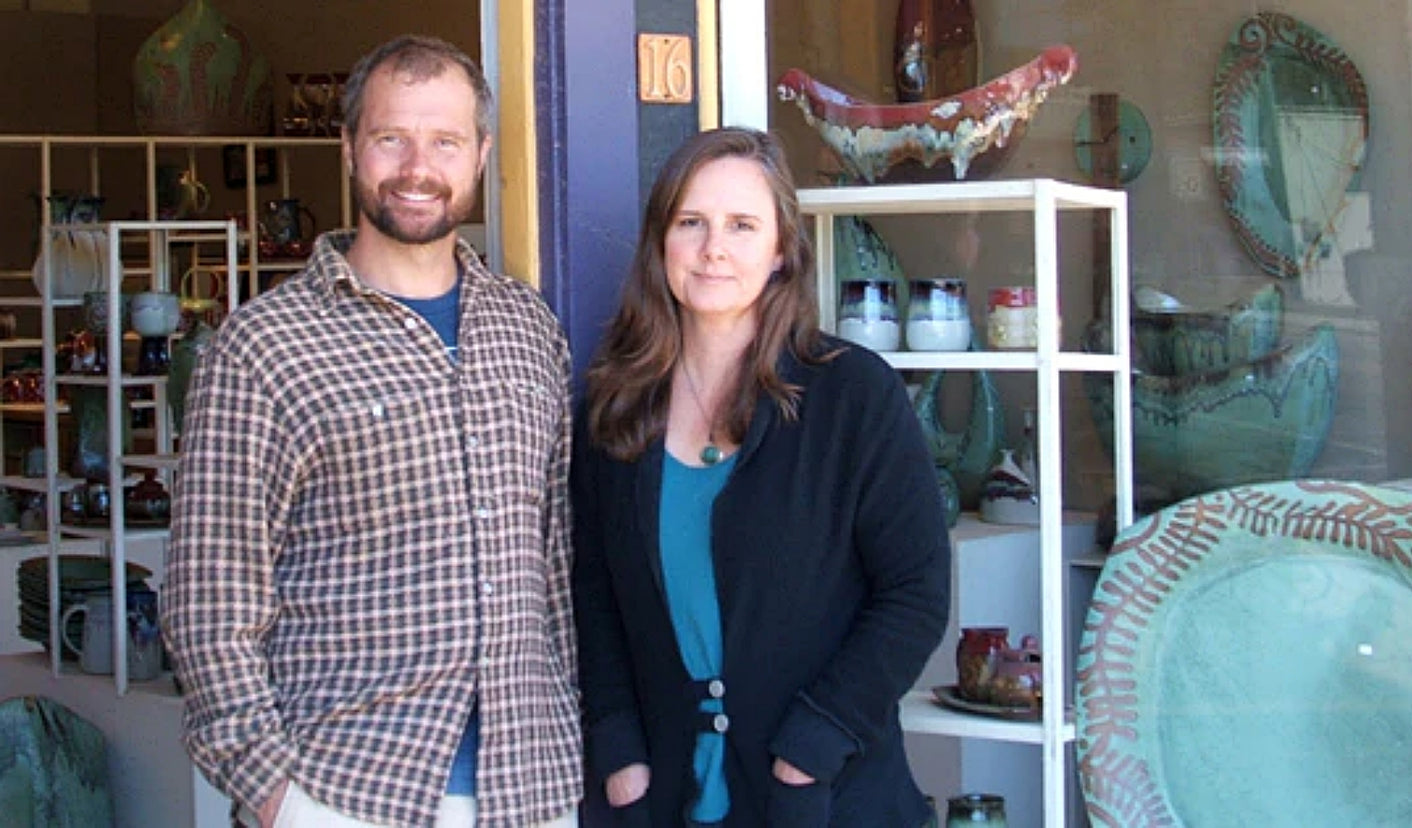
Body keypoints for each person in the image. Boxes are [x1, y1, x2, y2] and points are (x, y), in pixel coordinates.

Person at [163, 35, 581, 828]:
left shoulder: (529, 328)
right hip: (343, 791)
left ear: (482, 154)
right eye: (392, 138)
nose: (418, 167)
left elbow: (555, 567)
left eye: (445, 141)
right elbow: (208, 598)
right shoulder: (264, 347)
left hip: (529, 790)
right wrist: (274, 796)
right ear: (350, 146)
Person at [571, 126, 950, 827]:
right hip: (658, 799)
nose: (714, 248)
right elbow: (591, 593)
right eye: (691, 223)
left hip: (825, 796)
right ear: (660, 242)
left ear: (780, 251)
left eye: (742, 225)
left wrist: (813, 745)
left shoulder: (853, 396)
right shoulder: (612, 404)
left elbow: (915, 593)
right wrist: (617, 750)